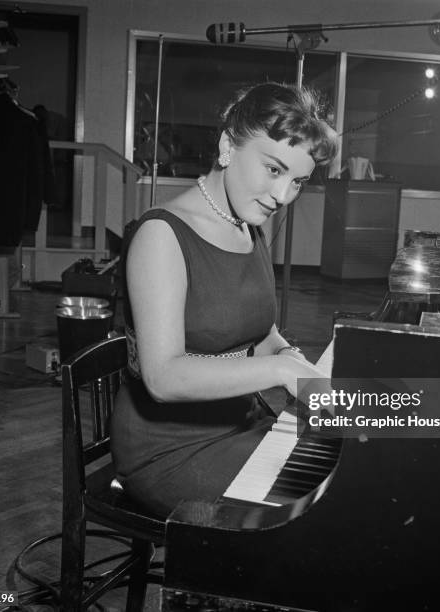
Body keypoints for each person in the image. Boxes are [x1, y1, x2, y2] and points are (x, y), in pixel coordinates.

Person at [110, 82, 338, 518]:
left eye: (298, 182)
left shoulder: (249, 225)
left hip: (240, 425)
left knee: (346, 465)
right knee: (320, 503)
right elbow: (162, 377)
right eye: (274, 170)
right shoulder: (161, 234)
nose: (283, 195)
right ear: (228, 147)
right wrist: (279, 370)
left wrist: (300, 367)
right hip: (170, 454)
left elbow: (262, 332)